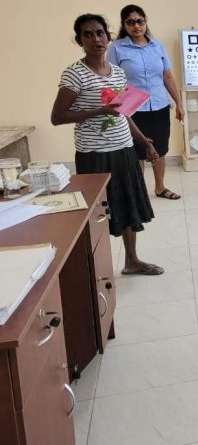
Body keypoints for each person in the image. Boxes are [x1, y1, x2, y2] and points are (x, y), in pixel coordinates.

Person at [51, 14, 164, 276]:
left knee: (128, 205)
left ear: (108, 36)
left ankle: (132, 261)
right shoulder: (74, 74)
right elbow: (57, 117)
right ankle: (93, 269)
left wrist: (144, 143)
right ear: (80, 40)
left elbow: (124, 113)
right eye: (88, 34)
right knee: (97, 212)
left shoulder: (118, 73)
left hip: (124, 149)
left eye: (100, 33)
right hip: (94, 154)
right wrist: (99, 110)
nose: (96, 39)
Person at [107, 4, 184, 200]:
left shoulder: (157, 46)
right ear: (124, 24)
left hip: (159, 105)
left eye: (140, 21)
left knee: (160, 149)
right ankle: (139, 192)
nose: (136, 26)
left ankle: (160, 187)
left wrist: (179, 103)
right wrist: (115, 109)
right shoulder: (116, 48)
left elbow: (167, 77)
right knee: (137, 151)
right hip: (132, 109)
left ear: (145, 22)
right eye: (131, 22)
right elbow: (111, 81)